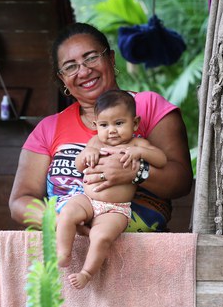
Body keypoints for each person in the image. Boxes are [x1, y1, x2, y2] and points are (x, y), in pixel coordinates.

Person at [8, 22, 193, 237]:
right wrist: (61, 223)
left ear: (111, 59)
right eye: (70, 66)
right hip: (71, 243)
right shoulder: (48, 128)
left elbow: (181, 182)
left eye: (91, 57)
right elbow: (20, 201)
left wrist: (135, 172)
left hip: (142, 246)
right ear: (63, 79)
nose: (84, 71)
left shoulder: (150, 106)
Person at [58, 89, 168, 288]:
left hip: (116, 209)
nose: (112, 130)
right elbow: (79, 165)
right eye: (104, 125)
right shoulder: (95, 142)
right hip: (87, 200)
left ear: (134, 123)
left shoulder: (137, 143)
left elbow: (161, 159)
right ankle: (63, 253)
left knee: (101, 237)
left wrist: (140, 152)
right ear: (96, 126)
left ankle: (86, 272)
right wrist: (87, 154)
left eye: (119, 123)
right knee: (67, 213)